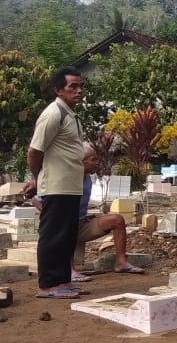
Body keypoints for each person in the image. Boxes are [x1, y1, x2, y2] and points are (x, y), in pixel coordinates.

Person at [31, 145, 147, 280]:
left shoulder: (87, 179)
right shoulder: (64, 179)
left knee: (117, 220)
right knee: (65, 225)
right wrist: (52, 216)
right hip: (63, 226)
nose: (97, 163)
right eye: (93, 160)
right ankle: (70, 271)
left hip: (81, 224)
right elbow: (35, 199)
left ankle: (121, 263)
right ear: (82, 162)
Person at [26, 66, 86, 299]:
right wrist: (37, 178)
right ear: (58, 90)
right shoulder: (53, 114)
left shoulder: (70, 114)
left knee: (67, 236)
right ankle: (48, 284)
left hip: (71, 186)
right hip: (56, 186)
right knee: (53, 235)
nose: (79, 90)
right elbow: (34, 151)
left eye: (80, 86)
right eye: (73, 86)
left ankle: (62, 281)